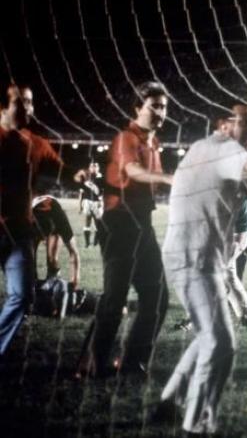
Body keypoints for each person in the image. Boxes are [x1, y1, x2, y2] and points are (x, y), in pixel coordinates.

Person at [156, 102, 247, 435]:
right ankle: (197, 423)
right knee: (222, 344)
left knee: (209, 334)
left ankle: (170, 399)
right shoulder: (226, 150)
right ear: (223, 125)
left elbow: (243, 185)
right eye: (244, 122)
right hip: (195, 257)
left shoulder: (202, 148)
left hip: (198, 255)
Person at [78, 81, 173, 378]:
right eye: (153, 106)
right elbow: (132, 171)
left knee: (157, 297)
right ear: (137, 107)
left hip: (142, 223)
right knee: (114, 298)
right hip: (119, 223)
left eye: (163, 106)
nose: (159, 111)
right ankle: (89, 364)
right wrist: (170, 179)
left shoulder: (153, 142)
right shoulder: (125, 138)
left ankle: (133, 362)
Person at [0, 84, 67, 358]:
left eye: (30, 102)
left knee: (23, 297)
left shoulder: (35, 143)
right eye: (21, 102)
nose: (29, 108)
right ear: (3, 106)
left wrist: (81, 176)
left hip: (19, 234)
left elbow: (61, 166)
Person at [31, 195, 80, 291]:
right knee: (30, 257)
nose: (44, 241)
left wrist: (75, 280)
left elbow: (73, 252)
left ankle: (52, 282)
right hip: (34, 213)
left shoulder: (61, 221)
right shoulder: (30, 220)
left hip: (54, 211)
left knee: (52, 259)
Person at [76, 161, 104, 247]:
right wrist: (79, 205)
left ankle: (96, 241)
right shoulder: (85, 178)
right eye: (92, 166)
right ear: (89, 168)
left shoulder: (102, 177)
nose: (93, 168)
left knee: (97, 222)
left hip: (97, 202)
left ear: (98, 168)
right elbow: (81, 193)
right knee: (87, 221)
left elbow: (104, 192)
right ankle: (87, 243)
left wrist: (101, 201)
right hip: (87, 202)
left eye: (95, 166)